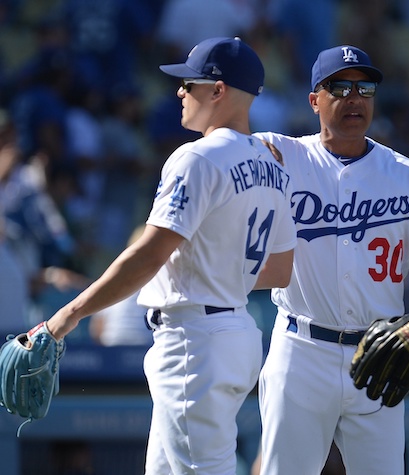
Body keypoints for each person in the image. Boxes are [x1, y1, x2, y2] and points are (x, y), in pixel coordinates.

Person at [44, 37, 297, 475]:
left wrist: (67, 315)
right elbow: (279, 269)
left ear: (218, 90)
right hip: (234, 330)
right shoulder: (273, 165)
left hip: (194, 340)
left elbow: (149, 255)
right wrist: (217, 270)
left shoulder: (196, 157)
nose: (180, 92)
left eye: (190, 83)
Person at [254, 45, 409, 475]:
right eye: (340, 87)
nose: (354, 98)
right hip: (301, 349)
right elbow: (230, 146)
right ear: (314, 99)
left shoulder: (408, 176)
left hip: (379, 355)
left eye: (364, 87)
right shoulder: (284, 156)